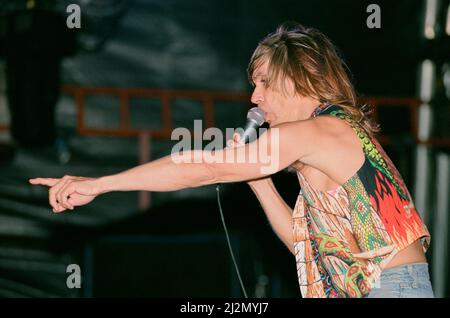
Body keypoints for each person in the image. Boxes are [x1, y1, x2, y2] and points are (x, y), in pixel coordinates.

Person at [29, 22, 434, 298]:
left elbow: (200, 168)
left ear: (299, 78)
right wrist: (257, 178)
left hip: (390, 286)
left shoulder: (319, 131)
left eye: (264, 83)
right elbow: (303, 245)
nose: (254, 97)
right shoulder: (321, 140)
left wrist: (100, 184)